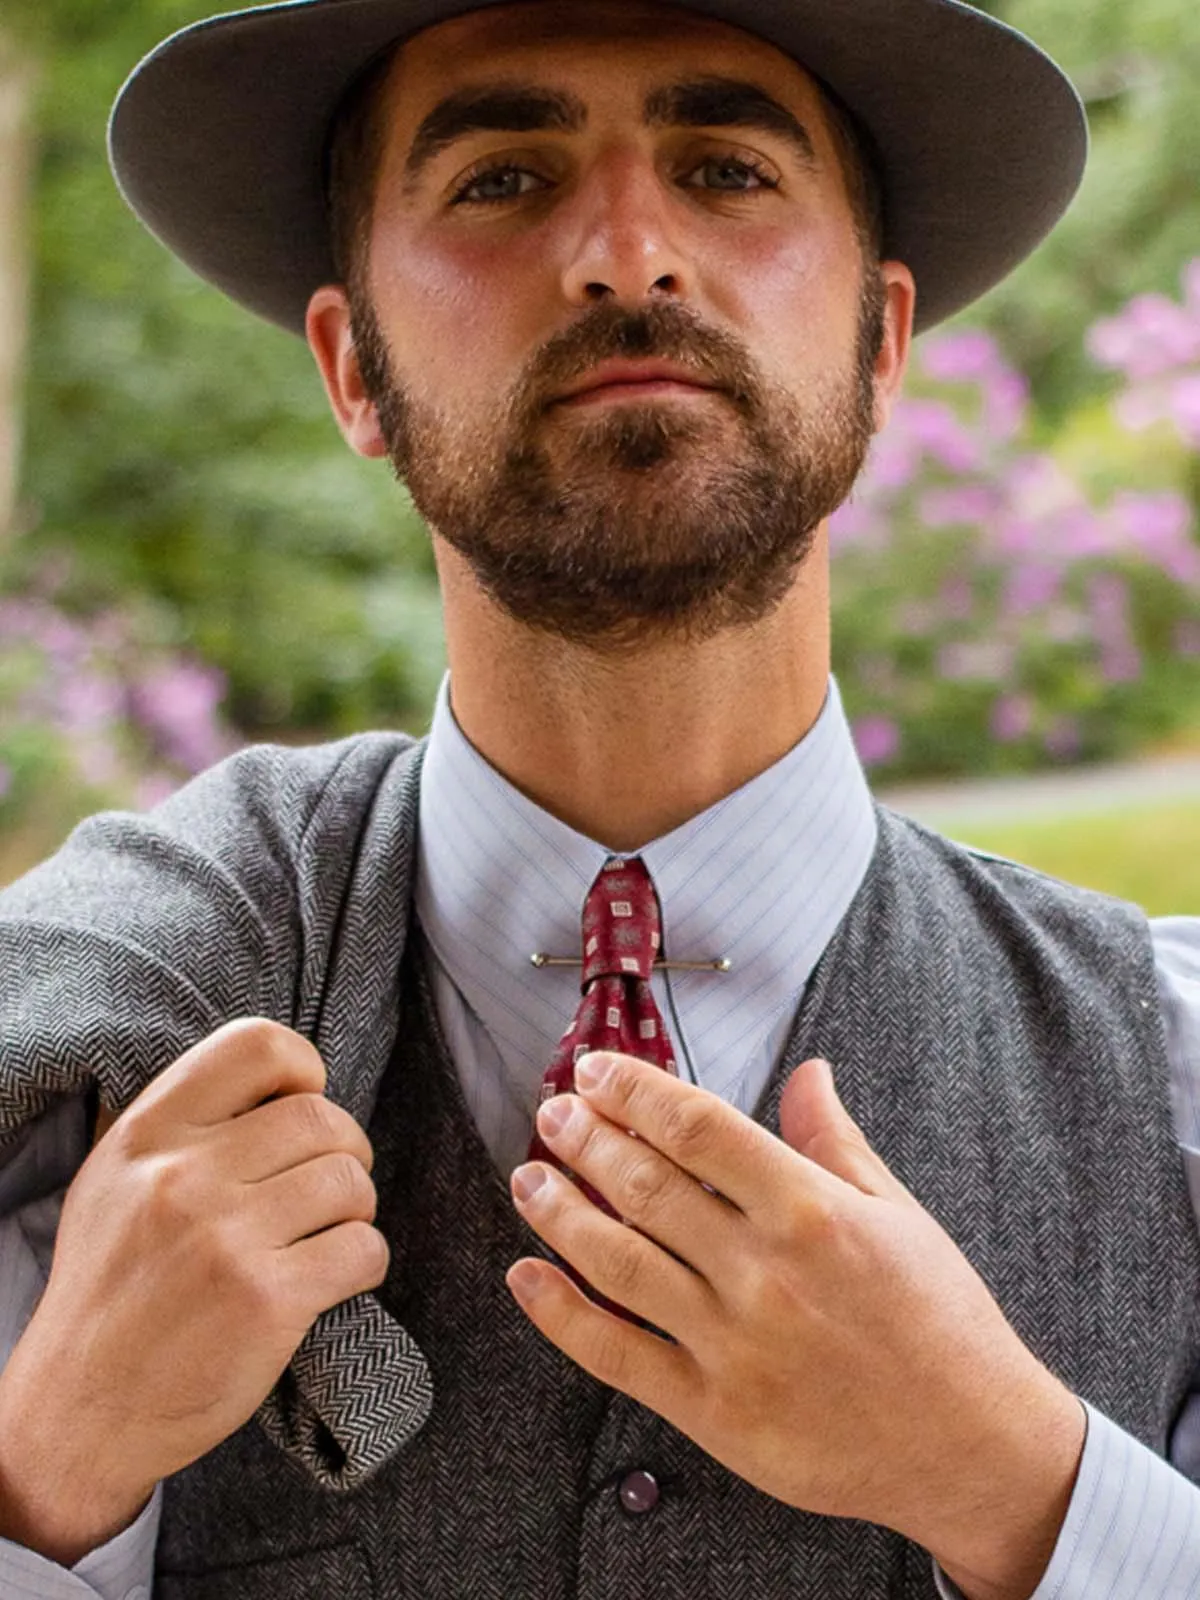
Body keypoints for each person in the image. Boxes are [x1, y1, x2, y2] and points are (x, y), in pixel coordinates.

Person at [0, 0, 1197, 1594]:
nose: (628, 253)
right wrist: (48, 1470)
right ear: (354, 369)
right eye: (502, 178)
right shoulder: (79, 1099)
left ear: (884, 343)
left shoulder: (1178, 1086)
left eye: (726, 169)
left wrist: (1009, 1479)